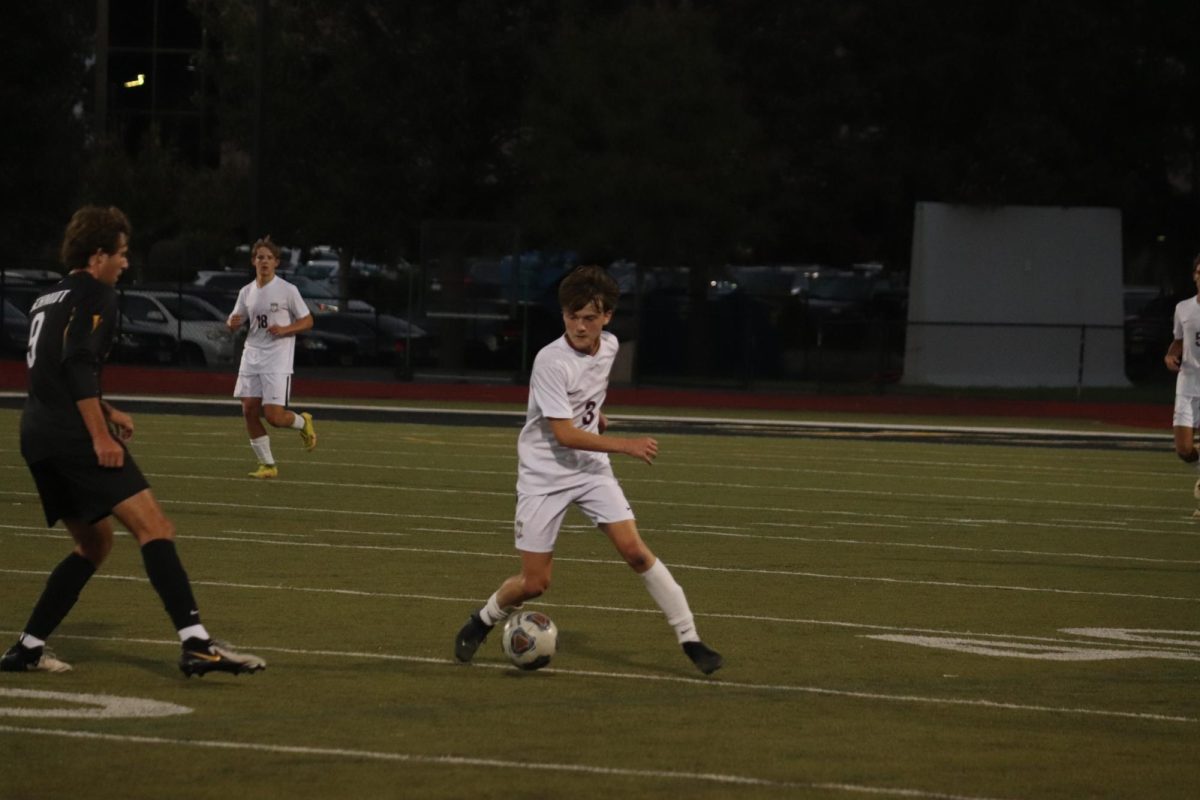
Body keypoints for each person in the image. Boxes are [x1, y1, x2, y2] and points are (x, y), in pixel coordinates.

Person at [1, 206, 266, 676]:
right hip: (71, 435)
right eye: (121, 253)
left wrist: (105, 408)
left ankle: (27, 647)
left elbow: (54, 369)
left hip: (36, 434)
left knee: (94, 545)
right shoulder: (97, 294)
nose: (125, 263)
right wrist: (99, 433)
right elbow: (79, 364)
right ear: (98, 254)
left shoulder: (48, 298)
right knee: (155, 527)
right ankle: (196, 643)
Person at [454, 265, 723, 675]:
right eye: (571, 316)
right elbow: (563, 434)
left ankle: (691, 640)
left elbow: (588, 396)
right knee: (535, 584)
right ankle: (483, 620)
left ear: (607, 318)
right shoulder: (550, 360)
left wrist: (598, 415)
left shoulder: (610, 346)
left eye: (589, 318)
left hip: (591, 468)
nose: (579, 327)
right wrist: (626, 444)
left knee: (635, 552)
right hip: (544, 476)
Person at [227, 236, 317, 479]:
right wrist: (231, 323)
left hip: (277, 359)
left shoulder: (288, 290)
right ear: (253, 261)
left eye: (268, 258)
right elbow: (236, 319)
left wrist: (286, 330)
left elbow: (308, 320)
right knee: (248, 410)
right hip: (251, 356)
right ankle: (267, 465)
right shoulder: (246, 292)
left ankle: (302, 422)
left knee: (275, 417)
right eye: (260, 257)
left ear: (276, 262)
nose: (264, 261)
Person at [1165, 253, 1200, 512]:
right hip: (1187, 384)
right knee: (1184, 449)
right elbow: (1179, 341)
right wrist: (1170, 355)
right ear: (1194, 276)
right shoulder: (1183, 308)